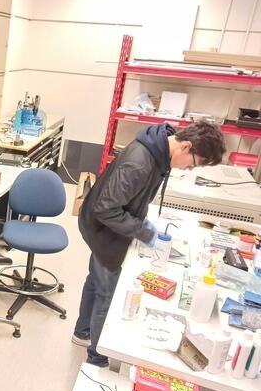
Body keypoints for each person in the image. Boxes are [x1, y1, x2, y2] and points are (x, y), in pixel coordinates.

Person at [72, 121, 225, 367]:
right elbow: (106, 209)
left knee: (96, 279)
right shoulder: (140, 162)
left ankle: (82, 332)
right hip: (103, 228)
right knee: (107, 294)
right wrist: (144, 232)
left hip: (104, 224)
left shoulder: (160, 148)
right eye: (192, 164)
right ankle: (97, 357)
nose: (188, 169)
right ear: (186, 146)